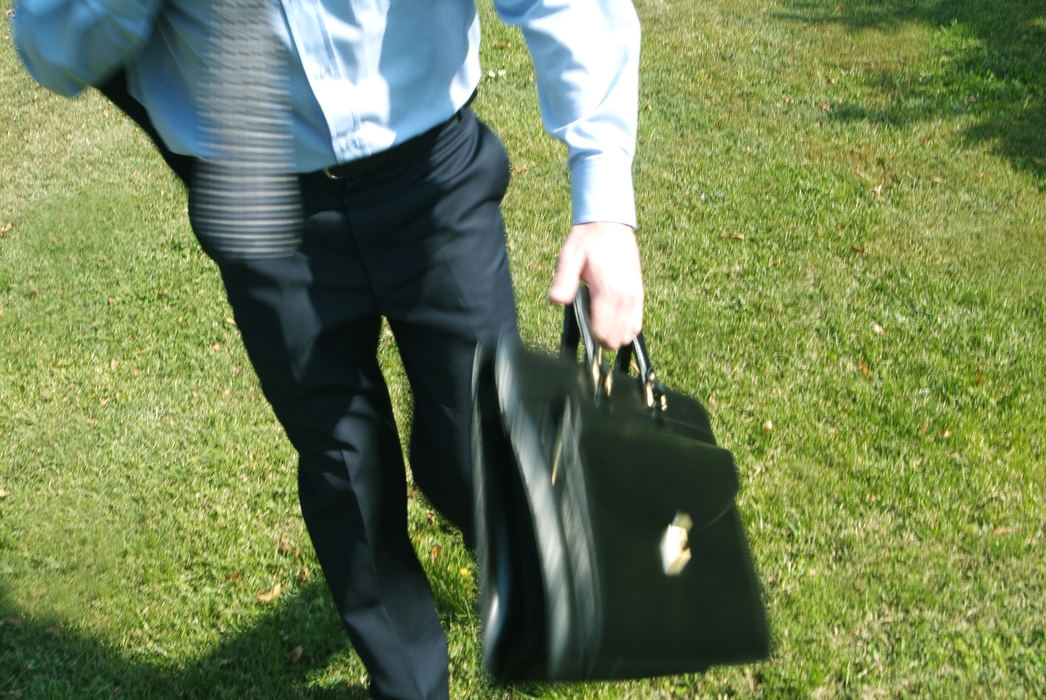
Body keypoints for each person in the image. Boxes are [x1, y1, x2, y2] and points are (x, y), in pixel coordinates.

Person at [14, 0, 644, 697]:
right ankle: (408, 686)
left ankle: (520, 551)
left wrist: (604, 202)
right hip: (252, 183)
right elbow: (48, 43)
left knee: (475, 438)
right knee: (347, 465)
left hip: (429, 168)